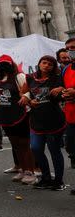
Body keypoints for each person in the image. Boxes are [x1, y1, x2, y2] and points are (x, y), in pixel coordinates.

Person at [0, 55, 36, 185]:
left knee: (24, 144)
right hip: (6, 115)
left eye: (7, 63)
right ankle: (22, 169)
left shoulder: (18, 77)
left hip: (20, 114)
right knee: (15, 145)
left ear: (12, 65)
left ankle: (30, 171)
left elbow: (29, 89)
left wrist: (26, 96)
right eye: (1, 64)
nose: (4, 66)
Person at [23, 55, 66, 190]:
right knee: (35, 148)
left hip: (54, 121)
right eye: (44, 62)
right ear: (39, 63)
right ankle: (46, 178)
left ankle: (58, 181)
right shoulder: (30, 78)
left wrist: (61, 89)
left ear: (53, 67)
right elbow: (24, 93)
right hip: (36, 121)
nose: (46, 65)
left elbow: (65, 91)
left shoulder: (57, 78)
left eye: (50, 64)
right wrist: (29, 101)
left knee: (54, 151)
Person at [62, 37, 75, 175]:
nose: (70, 51)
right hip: (71, 118)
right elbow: (63, 88)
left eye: (73, 48)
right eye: (68, 49)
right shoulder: (66, 70)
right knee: (72, 151)